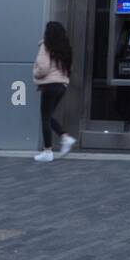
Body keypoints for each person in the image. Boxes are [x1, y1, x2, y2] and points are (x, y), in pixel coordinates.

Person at [32, 21, 76, 162]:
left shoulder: (46, 46)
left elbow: (43, 68)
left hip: (49, 85)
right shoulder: (66, 48)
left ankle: (48, 151)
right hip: (62, 85)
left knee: (45, 117)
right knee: (48, 116)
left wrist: (35, 73)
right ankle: (65, 137)